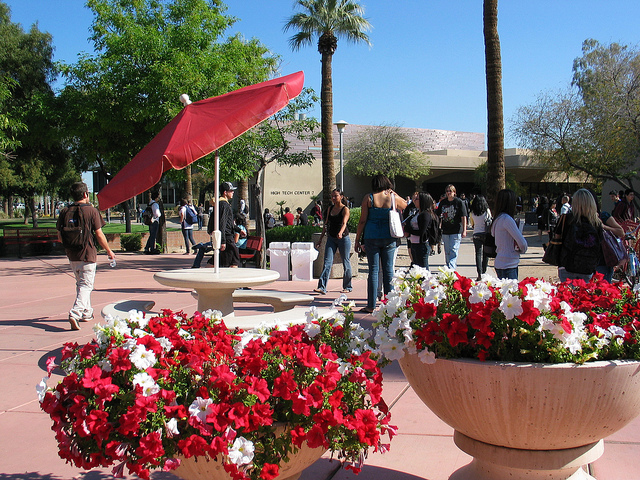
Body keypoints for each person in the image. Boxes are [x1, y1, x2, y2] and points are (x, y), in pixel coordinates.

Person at [56, 182, 115, 330]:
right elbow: (99, 234)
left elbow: (59, 236)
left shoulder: (64, 211)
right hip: (87, 254)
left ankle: (86, 312)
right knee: (86, 285)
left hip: (72, 254)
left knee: (81, 284)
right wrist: (109, 250)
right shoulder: (92, 211)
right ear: (85, 194)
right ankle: (75, 313)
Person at [355, 174, 408, 313]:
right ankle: (389, 303)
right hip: (389, 236)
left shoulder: (369, 198)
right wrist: (394, 193)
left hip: (371, 236)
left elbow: (362, 220)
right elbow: (406, 205)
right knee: (388, 270)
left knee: (373, 270)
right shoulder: (392, 197)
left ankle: (371, 304)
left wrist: (357, 239)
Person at [556, 189, 604, 282]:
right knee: (584, 294)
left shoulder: (566, 219)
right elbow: (600, 244)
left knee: (566, 294)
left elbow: (557, 239)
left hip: (567, 264)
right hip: (587, 266)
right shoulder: (596, 223)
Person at [314, 189, 352, 295]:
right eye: (332, 196)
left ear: (341, 196)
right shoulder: (329, 209)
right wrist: (321, 239)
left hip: (343, 238)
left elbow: (344, 223)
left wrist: (340, 233)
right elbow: (325, 225)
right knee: (327, 262)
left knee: (346, 262)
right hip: (331, 238)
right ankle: (322, 287)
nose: (333, 198)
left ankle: (348, 286)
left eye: (336, 196)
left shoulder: (345, 209)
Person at [491, 189, 528, 280]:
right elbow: (522, 243)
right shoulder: (507, 219)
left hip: (500, 261)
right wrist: (522, 250)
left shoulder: (497, 219)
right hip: (509, 264)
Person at [207, 182, 240, 268]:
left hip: (226, 237)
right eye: (231, 191)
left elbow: (228, 222)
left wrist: (238, 230)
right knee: (231, 261)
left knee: (225, 261)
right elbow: (222, 222)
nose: (233, 192)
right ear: (225, 192)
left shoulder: (220, 204)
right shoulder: (224, 205)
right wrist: (223, 241)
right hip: (227, 238)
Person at [435, 184, 467, 270]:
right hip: (445, 230)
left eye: (450, 191)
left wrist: (464, 230)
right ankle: (448, 267)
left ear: (454, 192)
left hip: (456, 230)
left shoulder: (459, 202)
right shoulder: (443, 202)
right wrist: (438, 227)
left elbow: (463, 217)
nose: (449, 193)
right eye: (447, 191)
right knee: (447, 251)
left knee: (453, 249)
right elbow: (438, 216)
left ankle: (451, 269)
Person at [404, 192, 438, 269]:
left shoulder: (425, 214)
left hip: (422, 245)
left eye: (417, 199)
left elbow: (422, 232)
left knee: (423, 271)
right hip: (414, 243)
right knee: (416, 270)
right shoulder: (417, 213)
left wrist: (409, 230)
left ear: (423, 201)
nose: (414, 200)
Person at [470, 194, 491, 281]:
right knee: (486, 254)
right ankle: (484, 271)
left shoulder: (472, 213)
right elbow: (490, 220)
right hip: (485, 234)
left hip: (476, 234)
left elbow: (472, 224)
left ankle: (479, 274)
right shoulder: (487, 211)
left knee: (478, 254)